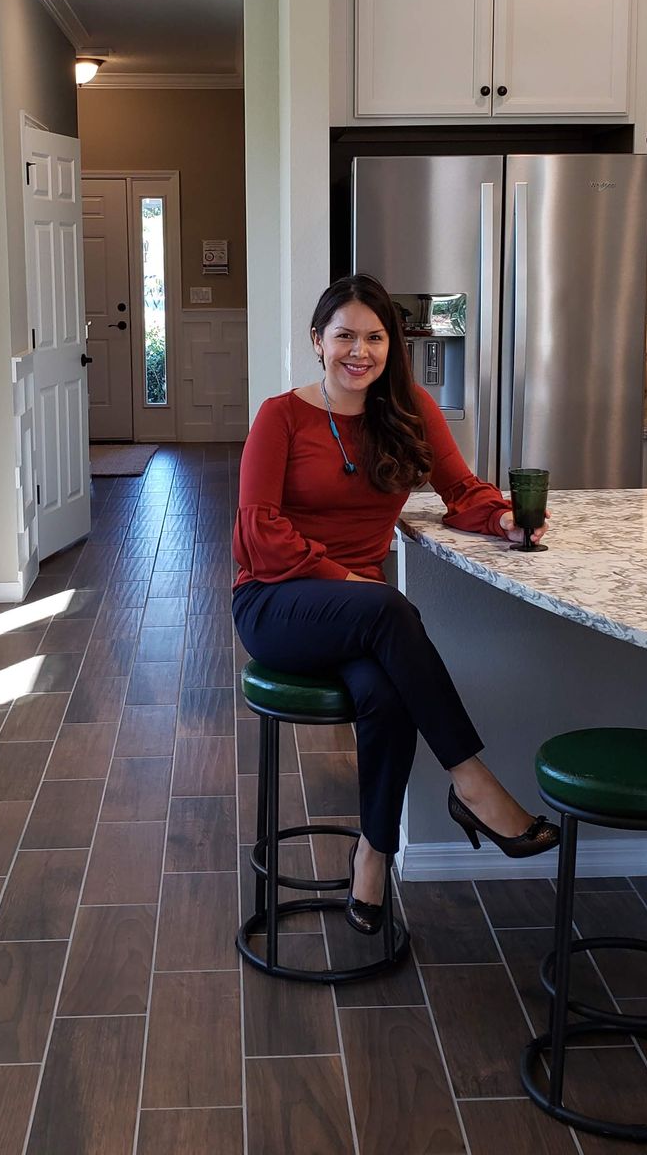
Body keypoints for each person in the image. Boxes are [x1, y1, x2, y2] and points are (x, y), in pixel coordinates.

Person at [232, 273, 558, 936]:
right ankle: (473, 782)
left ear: (391, 345)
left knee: (385, 694)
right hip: (277, 604)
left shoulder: (410, 410)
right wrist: (341, 579)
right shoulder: (281, 416)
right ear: (317, 342)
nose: (360, 351)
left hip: (362, 616)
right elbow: (257, 529)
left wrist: (505, 523)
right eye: (345, 336)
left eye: (374, 337)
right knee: (387, 606)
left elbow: (461, 490)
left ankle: (373, 854)